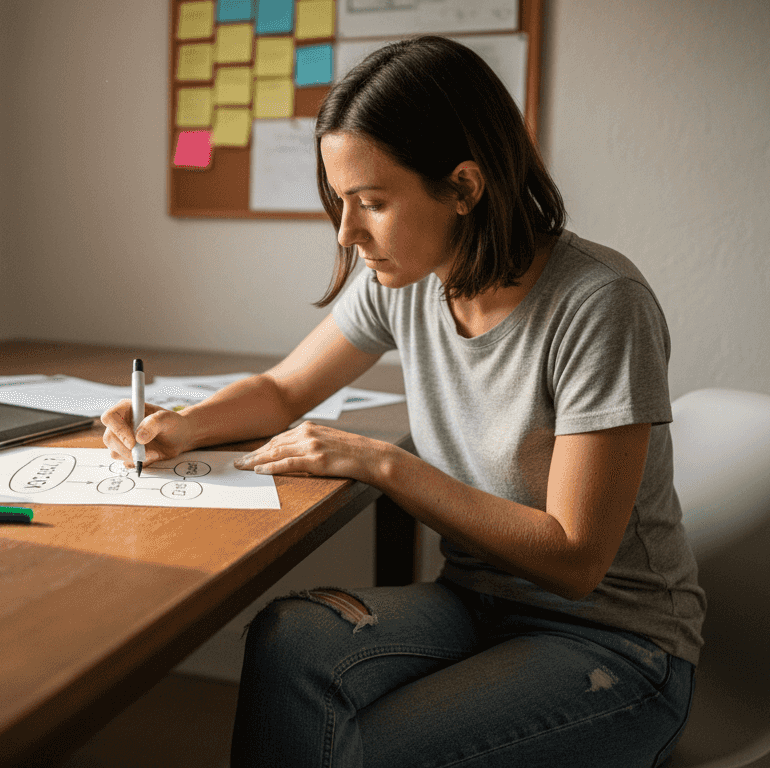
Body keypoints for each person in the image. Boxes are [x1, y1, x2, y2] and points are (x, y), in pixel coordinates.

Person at [100, 35, 704, 768]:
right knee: (291, 636)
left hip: (615, 643)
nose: (349, 234)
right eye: (341, 202)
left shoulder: (601, 304)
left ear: (464, 187)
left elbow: (574, 560)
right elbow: (285, 389)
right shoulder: (410, 277)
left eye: (372, 203)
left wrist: (384, 465)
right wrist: (182, 425)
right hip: (477, 602)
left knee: (363, 754)